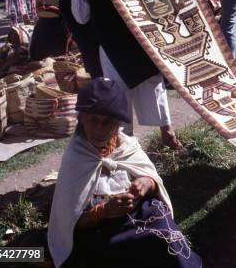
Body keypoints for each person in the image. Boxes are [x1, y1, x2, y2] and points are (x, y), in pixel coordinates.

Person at [48, 78, 201, 268]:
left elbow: (151, 179)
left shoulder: (126, 147)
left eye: (108, 122)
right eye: (93, 119)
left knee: (165, 236)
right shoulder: (76, 158)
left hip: (139, 213)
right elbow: (67, 223)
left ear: (118, 123)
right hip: (101, 227)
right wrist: (103, 211)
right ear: (82, 118)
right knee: (116, 253)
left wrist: (146, 183)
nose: (99, 129)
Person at [68, 0, 182, 150]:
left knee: (153, 83)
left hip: (144, 40)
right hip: (113, 47)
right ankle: (120, 144)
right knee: (118, 94)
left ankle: (167, 133)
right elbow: (81, 17)